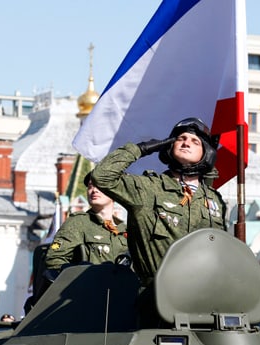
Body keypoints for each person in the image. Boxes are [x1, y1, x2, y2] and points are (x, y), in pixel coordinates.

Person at [91, 117, 227, 288]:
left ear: (206, 153)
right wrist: (140, 149)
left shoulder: (214, 200)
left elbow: (221, 249)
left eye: (195, 142)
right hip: (157, 295)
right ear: (169, 146)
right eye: (180, 139)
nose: (186, 143)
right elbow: (102, 176)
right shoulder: (148, 188)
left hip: (204, 295)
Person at [44, 172, 129, 271]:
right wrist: (82, 276)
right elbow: (53, 259)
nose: (94, 190)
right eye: (90, 186)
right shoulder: (78, 223)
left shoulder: (124, 229)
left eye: (100, 186)